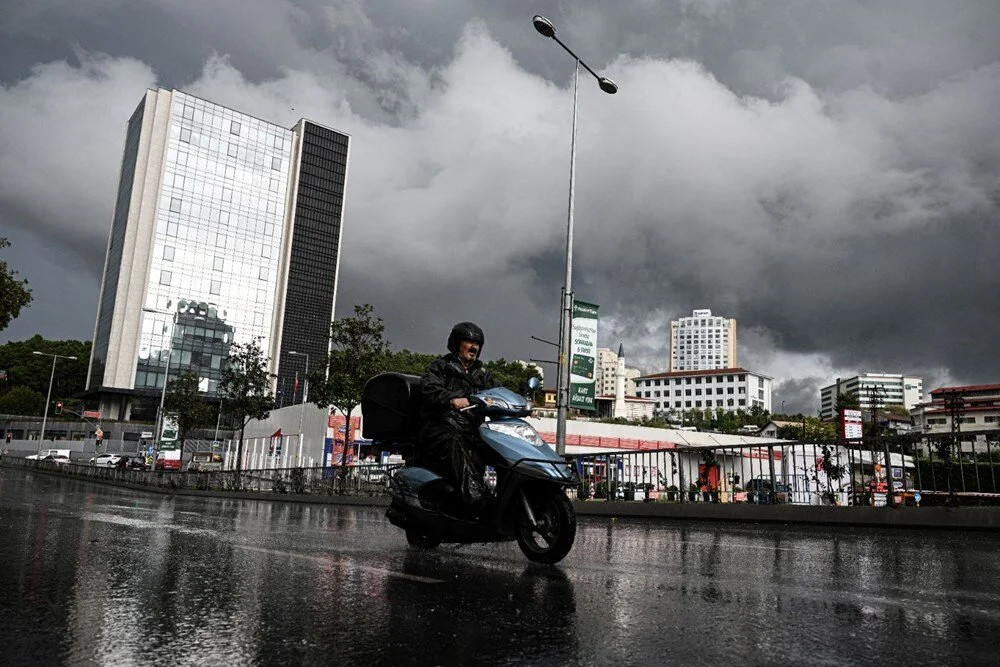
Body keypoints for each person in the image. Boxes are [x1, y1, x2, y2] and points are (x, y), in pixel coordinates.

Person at [419, 321, 498, 512]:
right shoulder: (440, 366)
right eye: (469, 342)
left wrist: (523, 404)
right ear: (456, 343)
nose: (474, 347)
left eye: (477, 344)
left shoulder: (482, 375)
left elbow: (498, 391)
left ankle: (508, 500)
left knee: (500, 447)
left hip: (471, 429)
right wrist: (452, 399)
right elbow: (429, 388)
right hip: (440, 427)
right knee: (455, 442)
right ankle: (475, 497)